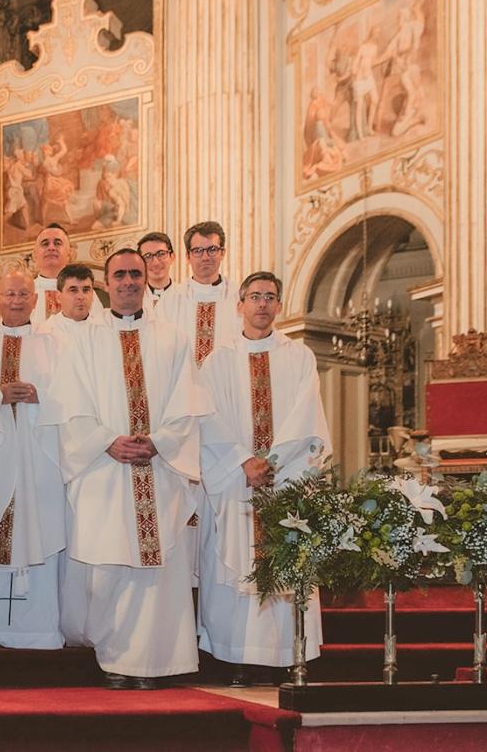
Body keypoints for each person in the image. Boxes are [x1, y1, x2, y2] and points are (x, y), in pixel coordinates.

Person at [51, 248, 207, 690]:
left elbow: (187, 403)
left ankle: (156, 664)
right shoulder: (84, 340)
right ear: (106, 281)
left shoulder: (173, 337)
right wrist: (106, 441)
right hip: (104, 469)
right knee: (108, 570)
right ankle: (114, 660)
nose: (128, 282)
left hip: (158, 469)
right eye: (119, 274)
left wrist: (159, 443)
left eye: (135, 274)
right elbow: (70, 407)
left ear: (146, 280)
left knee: (157, 571)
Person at [197, 272, 330, 686]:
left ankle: (288, 656)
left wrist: (271, 461)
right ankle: (236, 658)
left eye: (270, 297)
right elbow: (207, 419)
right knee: (235, 562)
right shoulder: (217, 360)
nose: (262, 304)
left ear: (278, 305)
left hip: (285, 478)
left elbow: (307, 416)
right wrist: (242, 461)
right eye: (254, 296)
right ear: (239, 304)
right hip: (236, 480)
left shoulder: (300, 356)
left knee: (287, 561)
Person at [0, 267, 65, 649]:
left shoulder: (55, 343)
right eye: (9, 294)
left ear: (36, 298)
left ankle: (39, 630)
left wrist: (39, 393)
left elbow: (76, 392)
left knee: (39, 527)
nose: (15, 301)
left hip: (38, 459)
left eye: (23, 294)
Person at [154, 221, 238, 367]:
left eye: (212, 249)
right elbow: (158, 351)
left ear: (222, 253)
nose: (205, 257)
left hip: (228, 385)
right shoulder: (170, 301)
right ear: (188, 256)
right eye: (198, 251)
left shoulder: (240, 299)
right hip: (183, 384)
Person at [29, 224, 105, 327]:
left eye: (57, 243)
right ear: (35, 255)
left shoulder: (85, 291)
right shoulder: (24, 292)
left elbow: (99, 329)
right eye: (45, 244)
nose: (51, 247)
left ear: (69, 254)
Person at [41, 263, 105, 344]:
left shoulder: (105, 331)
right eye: (73, 290)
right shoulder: (45, 334)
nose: (81, 297)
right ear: (58, 297)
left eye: (86, 290)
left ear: (93, 295)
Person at [136, 232, 175, 309]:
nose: (155, 263)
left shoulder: (187, 297)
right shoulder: (132, 300)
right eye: (147, 256)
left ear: (172, 257)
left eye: (161, 254)